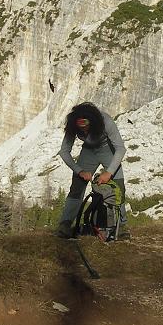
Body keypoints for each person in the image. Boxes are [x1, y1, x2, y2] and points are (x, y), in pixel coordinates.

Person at [56, 102, 129, 239]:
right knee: (76, 187)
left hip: (107, 149)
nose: (84, 131)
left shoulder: (106, 121)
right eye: (81, 128)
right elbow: (64, 152)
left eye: (87, 127)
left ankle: (122, 227)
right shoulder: (73, 125)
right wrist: (79, 171)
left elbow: (120, 148)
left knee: (118, 186)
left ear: (94, 122)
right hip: (88, 151)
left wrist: (109, 172)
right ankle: (65, 224)